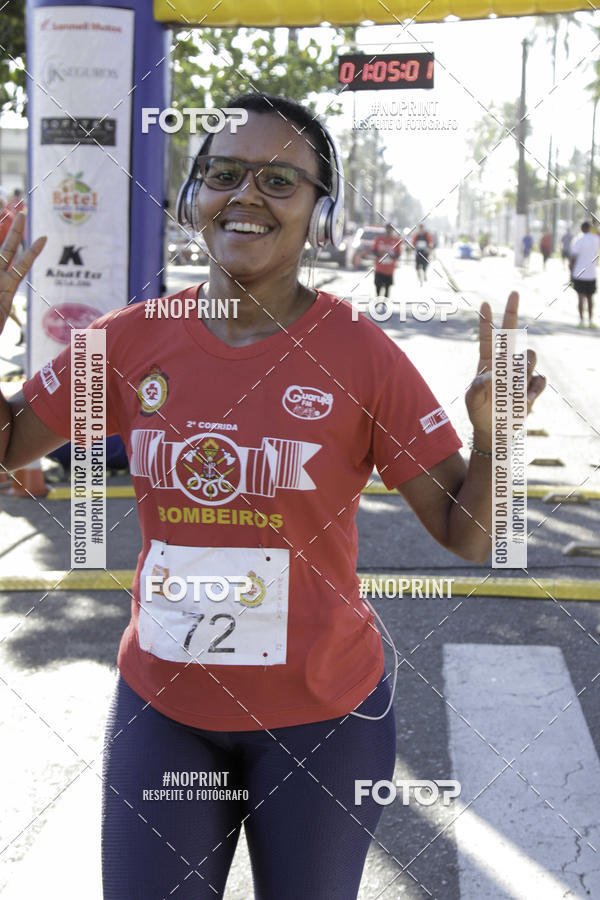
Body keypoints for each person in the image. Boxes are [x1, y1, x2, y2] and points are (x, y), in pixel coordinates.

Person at [0, 94, 546, 899]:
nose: (248, 194)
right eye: (226, 172)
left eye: (281, 179)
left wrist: (498, 437)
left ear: (319, 217)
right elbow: (10, 444)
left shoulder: (362, 356)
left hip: (324, 721)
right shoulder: (129, 340)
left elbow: (466, 536)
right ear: (194, 199)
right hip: (166, 711)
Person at [569, 220, 600, 327]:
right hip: (592, 274)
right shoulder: (595, 239)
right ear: (589, 229)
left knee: (580, 297)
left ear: (581, 229)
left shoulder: (579, 240)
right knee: (590, 298)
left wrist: (571, 273)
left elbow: (573, 258)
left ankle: (581, 321)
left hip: (579, 273)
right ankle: (591, 321)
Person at [372, 223, 402, 297]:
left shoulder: (396, 240)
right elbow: (373, 251)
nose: (389, 231)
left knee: (387, 288)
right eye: (388, 229)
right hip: (379, 268)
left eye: (391, 229)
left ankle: (384, 304)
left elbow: (398, 254)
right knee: (378, 287)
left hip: (389, 270)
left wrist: (393, 257)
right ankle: (378, 300)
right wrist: (380, 255)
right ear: (385, 229)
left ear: (392, 230)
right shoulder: (378, 239)